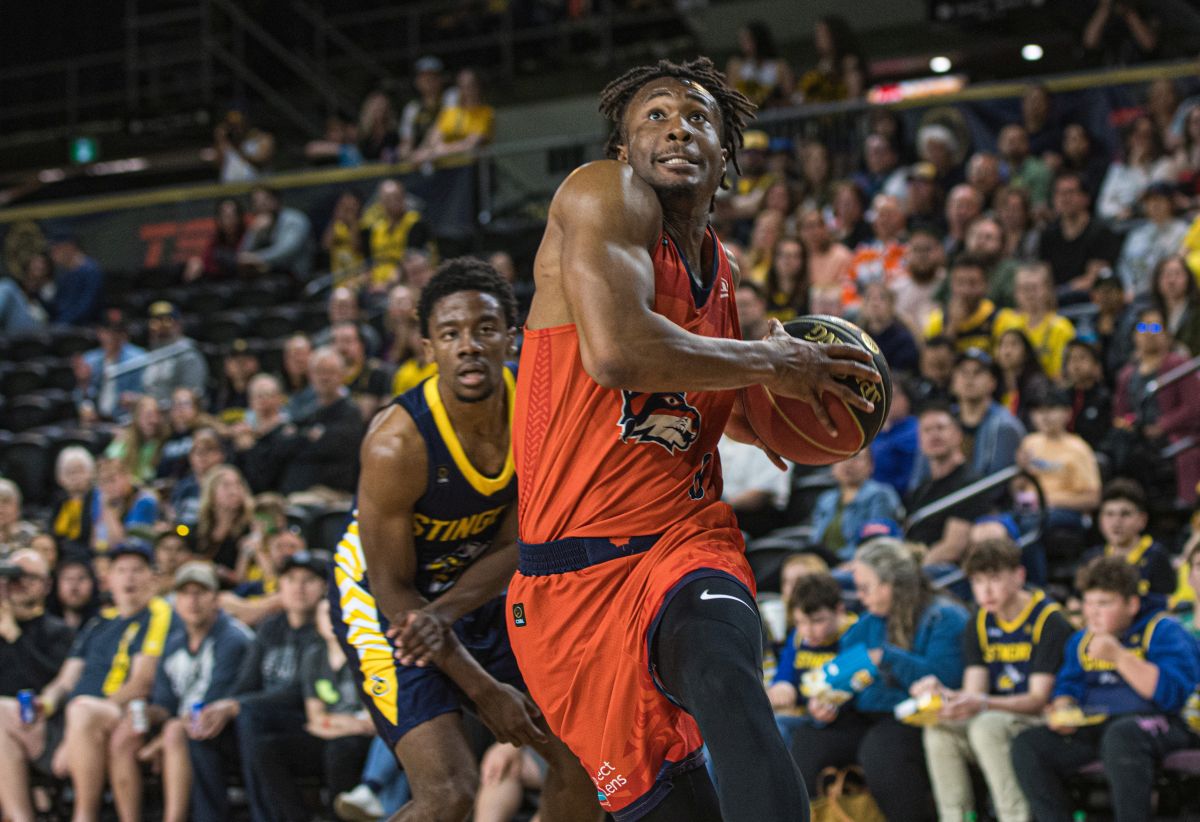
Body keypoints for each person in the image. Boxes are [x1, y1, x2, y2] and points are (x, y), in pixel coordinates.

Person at [509, 57, 883, 821]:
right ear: (622, 151)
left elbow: (697, 381)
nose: (678, 125)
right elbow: (617, 352)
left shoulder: (722, 267)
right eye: (653, 115)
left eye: (698, 117)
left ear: (725, 157)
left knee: (723, 673)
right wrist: (773, 363)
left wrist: (773, 408)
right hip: (569, 585)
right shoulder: (600, 195)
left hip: (683, 543)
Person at [329, 259, 598, 821]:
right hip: (383, 600)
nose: (469, 346)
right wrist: (482, 689)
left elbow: (522, 545)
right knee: (449, 795)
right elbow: (395, 591)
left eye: (484, 329)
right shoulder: (396, 446)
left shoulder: (539, 408)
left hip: (470, 588)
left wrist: (448, 611)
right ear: (428, 347)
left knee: (584, 759)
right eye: (451, 334)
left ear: (512, 335)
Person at [789, 538, 968, 822]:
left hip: (920, 717)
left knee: (881, 749)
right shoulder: (866, 624)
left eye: (865, 588)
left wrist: (886, 657)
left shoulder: (944, 616)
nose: (860, 597)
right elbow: (844, 681)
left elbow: (948, 678)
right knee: (809, 741)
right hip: (867, 716)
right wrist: (825, 706)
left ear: (892, 583)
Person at [1012, 557, 1199, 822]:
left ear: (1132, 604)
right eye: (1088, 602)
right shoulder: (1080, 640)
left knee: (1122, 735)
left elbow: (1171, 695)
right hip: (1098, 725)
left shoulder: (1163, 631)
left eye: (1104, 603)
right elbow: (1068, 686)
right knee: (1029, 745)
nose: (1092, 612)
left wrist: (1120, 658)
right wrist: (1064, 706)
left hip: (1162, 724)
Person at [0, 542, 173, 822]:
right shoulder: (98, 624)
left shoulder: (157, 613)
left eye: (137, 570)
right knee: (2, 711)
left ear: (152, 577)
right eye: (122, 570)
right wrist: (45, 702)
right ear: (108, 578)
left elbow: (142, 682)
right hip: (72, 718)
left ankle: (84, 816)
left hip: (115, 712)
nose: (129, 578)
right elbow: (66, 679)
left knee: (82, 709)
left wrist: (81, 724)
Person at [914, 537, 1073, 822]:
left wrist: (982, 703)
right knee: (940, 729)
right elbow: (974, 690)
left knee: (986, 726)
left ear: (1019, 576)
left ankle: (1013, 816)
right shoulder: (979, 622)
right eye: (977, 582)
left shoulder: (1048, 620)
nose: (985, 591)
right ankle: (955, 817)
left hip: (1043, 718)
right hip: (997, 713)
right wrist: (945, 697)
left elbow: (1038, 700)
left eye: (994, 579)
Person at [190, 550, 327, 822]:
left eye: (308, 580)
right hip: (259, 721)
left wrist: (237, 705)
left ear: (325, 587)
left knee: (248, 716)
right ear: (280, 586)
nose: (298, 587)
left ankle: (265, 817)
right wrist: (217, 709)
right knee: (201, 729)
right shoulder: (270, 627)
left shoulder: (326, 629)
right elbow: (245, 684)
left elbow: (305, 691)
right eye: (290, 579)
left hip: (307, 723)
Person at [112, 561, 250, 822]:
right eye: (185, 593)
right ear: (176, 601)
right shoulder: (175, 642)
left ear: (216, 599)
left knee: (176, 731)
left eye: (201, 593)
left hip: (229, 731)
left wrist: (158, 744)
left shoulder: (232, 639)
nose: (192, 601)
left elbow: (209, 707)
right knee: (129, 730)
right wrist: (146, 714)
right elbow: (166, 704)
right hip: (188, 729)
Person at [254, 598, 375, 820]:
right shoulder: (313, 656)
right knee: (267, 748)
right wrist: (345, 723)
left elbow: (370, 723)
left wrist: (330, 722)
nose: (330, 619)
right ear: (317, 622)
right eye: (324, 614)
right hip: (334, 733)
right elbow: (315, 717)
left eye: (336, 612)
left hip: (362, 740)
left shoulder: (365, 655)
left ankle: (336, 818)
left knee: (340, 749)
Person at [1114, 306, 1200, 504]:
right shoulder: (1127, 373)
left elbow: (1194, 407)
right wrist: (1130, 423)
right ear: (1134, 334)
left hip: (1177, 436)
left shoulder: (1179, 365)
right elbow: (1121, 411)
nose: (1149, 334)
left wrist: (1162, 425)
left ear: (1167, 335)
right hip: (1137, 436)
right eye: (1143, 327)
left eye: (1155, 328)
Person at [766, 572, 854, 741]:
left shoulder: (852, 633)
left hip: (841, 720)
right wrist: (783, 686)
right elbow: (786, 674)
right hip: (804, 715)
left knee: (778, 730)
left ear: (839, 610)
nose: (807, 631)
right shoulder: (798, 637)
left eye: (817, 621)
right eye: (800, 622)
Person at [905, 404, 991, 566]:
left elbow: (952, 548)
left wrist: (912, 572)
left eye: (941, 428)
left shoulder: (970, 483)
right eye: (927, 430)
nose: (934, 435)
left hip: (941, 571)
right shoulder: (922, 487)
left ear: (958, 435)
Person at [274, 347, 366, 496]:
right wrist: (308, 436)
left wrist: (299, 437)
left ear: (342, 375)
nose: (324, 377)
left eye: (330, 372)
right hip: (295, 492)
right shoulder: (305, 410)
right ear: (310, 375)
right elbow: (282, 446)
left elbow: (334, 447)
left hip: (331, 494)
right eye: (319, 371)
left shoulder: (350, 412)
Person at [1017, 386, 1102, 530]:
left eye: (1050, 409)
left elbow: (1093, 499)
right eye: (1038, 410)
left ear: (1067, 413)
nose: (1044, 416)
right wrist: (1021, 471)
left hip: (1064, 513)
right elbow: (1018, 489)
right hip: (1027, 508)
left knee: (1030, 526)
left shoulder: (1079, 448)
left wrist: (1048, 500)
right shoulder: (1029, 442)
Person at [1082, 479, 1176, 601]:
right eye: (1109, 514)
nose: (1116, 522)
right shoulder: (1092, 558)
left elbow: (1166, 602)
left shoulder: (1156, 556)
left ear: (1142, 520)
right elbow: (1076, 601)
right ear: (1100, 520)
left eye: (1125, 514)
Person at [0, 549, 74, 697]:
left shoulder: (60, 632)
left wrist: (15, 638)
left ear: (47, 585)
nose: (21, 583)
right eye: (15, 576)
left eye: (31, 577)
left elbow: (47, 682)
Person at [1038, 172, 1120, 302]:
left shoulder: (1101, 233)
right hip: (1054, 302)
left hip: (1087, 301)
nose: (1065, 198)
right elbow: (1044, 276)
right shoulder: (1048, 235)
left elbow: (1092, 280)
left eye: (1070, 192)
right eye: (1059, 193)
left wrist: (1059, 292)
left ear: (1086, 198)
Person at [809, 449, 902, 562]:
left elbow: (876, 543)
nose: (848, 463)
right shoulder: (825, 499)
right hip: (824, 563)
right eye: (841, 457)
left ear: (871, 465)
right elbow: (814, 539)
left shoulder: (880, 495)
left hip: (860, 562)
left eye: (856, 457)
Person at [948, 348, 1026, 478]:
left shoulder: (1006, 427)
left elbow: (998, 486)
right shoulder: (942, 422)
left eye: (978, 372)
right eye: (963, 372)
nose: (969, 378)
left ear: (992, 382)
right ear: (953, 382)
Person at [994, 262, 1076, 379]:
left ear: (1047, 289)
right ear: (1015, 292)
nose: (1029, 294)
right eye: (1023, 288)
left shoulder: (1061, 327)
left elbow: (1061, 376)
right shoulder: (1005, 321)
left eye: (1034, 288)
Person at [1117, 181, 1189, 298]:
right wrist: (1128, 287)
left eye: (1159, 200)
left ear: (1171, 203)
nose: (1154, 205)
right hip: (1136, 294)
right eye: (1149, 201)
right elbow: (1124, 265)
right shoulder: (1136, 235)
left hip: (1169, 294)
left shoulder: (1183, 232)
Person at [411, 67, 495, 164]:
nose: (467, 90)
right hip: (445, 169)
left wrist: (440, 150)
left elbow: (470, 145)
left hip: (473, 169)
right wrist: (431, 151)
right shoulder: (450, 112)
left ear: (479, 87)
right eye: (462, 85)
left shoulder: (486, 113)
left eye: (471, 85)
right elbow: (433, 140)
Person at [365, 179, 434, 291]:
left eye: (396, 197)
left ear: (403, 198)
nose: (393, 202)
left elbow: (411, 262)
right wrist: (369, 283)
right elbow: (372, 262)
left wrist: (386, 286)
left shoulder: (415, 223)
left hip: (404, 283)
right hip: (377, 285)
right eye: (387, 199)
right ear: (380, 203)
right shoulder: (377, 228)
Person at [924, 255, 1000, 354]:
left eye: (973, 283)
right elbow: (934, 363)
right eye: (960, 283)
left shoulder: (1000, 319)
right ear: (951, 285)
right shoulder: (936, 321)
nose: (966, 291)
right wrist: (951, 327)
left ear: (986, 285)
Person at [80, 308, 146, 421]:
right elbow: (82, 394)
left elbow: (145, 394)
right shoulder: (89, 360)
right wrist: (85, 403)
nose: (112, 337)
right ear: (99, 333)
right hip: (96, 420)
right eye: (108, 332)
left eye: (117, 332)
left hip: (126, 419)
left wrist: (135, 399)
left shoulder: (139, 359)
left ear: (125, 335)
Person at [141, 301, 210, 406]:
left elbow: (192, 395)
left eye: (167, 321)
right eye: (155, 322)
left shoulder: (188, 354)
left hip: (177, 414)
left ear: (178, 325)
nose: (160, 328)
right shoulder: (151, 353)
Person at [91, 457, 159, 556]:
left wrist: (107, 509)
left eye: (111, 479)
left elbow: (121, 544)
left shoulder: (145, 501)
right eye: (102, 482)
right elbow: (94, 543)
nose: (107, 486)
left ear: (127, 476)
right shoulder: (99, 497)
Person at [332, 321, 394, 421]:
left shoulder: (376, 373)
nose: (341, 347)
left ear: (362, 344)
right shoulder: (326, 375)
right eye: (336, 341)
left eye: (347, 341)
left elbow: (364, 415)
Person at [724, 21, 794, 108]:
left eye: (747, 40)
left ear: (758, 40)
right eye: (742, 40)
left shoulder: (779, 66)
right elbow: (731, 95)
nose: (743, 44)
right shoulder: (735, 65)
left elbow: (788, 95)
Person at [870, 374, 919, 497]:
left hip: (901, 497)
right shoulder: (873, 432)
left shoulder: (916, 429)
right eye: (882, 395)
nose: (886, 400)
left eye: (893, 395)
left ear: (907, 399)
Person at [104, 394, 168, 485]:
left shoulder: (162, 440)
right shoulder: (124, 440)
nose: (154, 420)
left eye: (157, 415)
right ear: (137, 417)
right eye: (148, 415)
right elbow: (110, 468)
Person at [858, 281, 918, 375]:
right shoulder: (858, 336)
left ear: (891, 305)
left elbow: (902, 375)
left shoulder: (903, 339)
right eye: (869, 298)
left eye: (881, 298)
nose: (875, 303)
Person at [1063, 338, 1113, 446]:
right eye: (1071, 359)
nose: (1076, 364)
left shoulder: (1104, 399)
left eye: (1082, 358)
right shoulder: (1061, 396)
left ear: (1096, 366)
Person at [47, 234, 104, 327]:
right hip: (63, 325)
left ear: (69, 247)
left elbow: (86, 306)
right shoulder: (65, 273)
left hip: (85, 328)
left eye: (56, 249)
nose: (53, 255)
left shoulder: (90, 270)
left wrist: (61, 323)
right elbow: (57, 304)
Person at [1152, 254, 1200, 356]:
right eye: (1166, 275)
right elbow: (1141, 331)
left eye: (1177, 274)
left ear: (1188, 278)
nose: (1171, 281)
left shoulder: (1197, 310)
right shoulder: (1149, 311)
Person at [214, 109, 274, 182]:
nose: (236, 129)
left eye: (239, 124)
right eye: (231, 125)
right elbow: (218, 165)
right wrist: (220, 140)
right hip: (230, 188)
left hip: (255, 188)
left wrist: (238, 149)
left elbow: (260, 164)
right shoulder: (227, 142)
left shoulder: (261, 138)